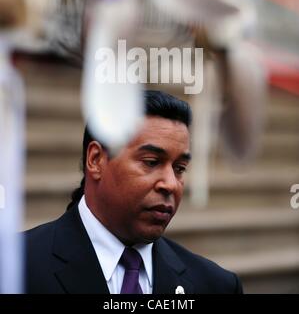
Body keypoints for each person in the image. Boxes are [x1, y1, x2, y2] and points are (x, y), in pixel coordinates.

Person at [25, 90, 243, 294]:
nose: (170, 184)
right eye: (151, 162)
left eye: (179, 169)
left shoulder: (216, 285)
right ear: (96, 160)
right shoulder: (14, 268)